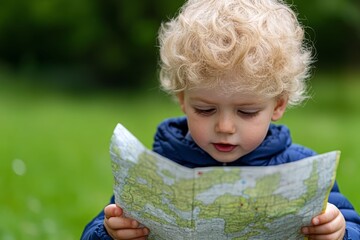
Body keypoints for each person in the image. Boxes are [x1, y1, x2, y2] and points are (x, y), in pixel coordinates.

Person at [81, 0, 360, 239]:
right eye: (205, 109)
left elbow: (352, 227)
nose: (224, 127)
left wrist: (339, 230)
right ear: (182, 99)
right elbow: (97, 229)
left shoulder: (301, 170)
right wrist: (110, 231)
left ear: (279, 105)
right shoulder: (158, 168)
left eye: (247, 112)